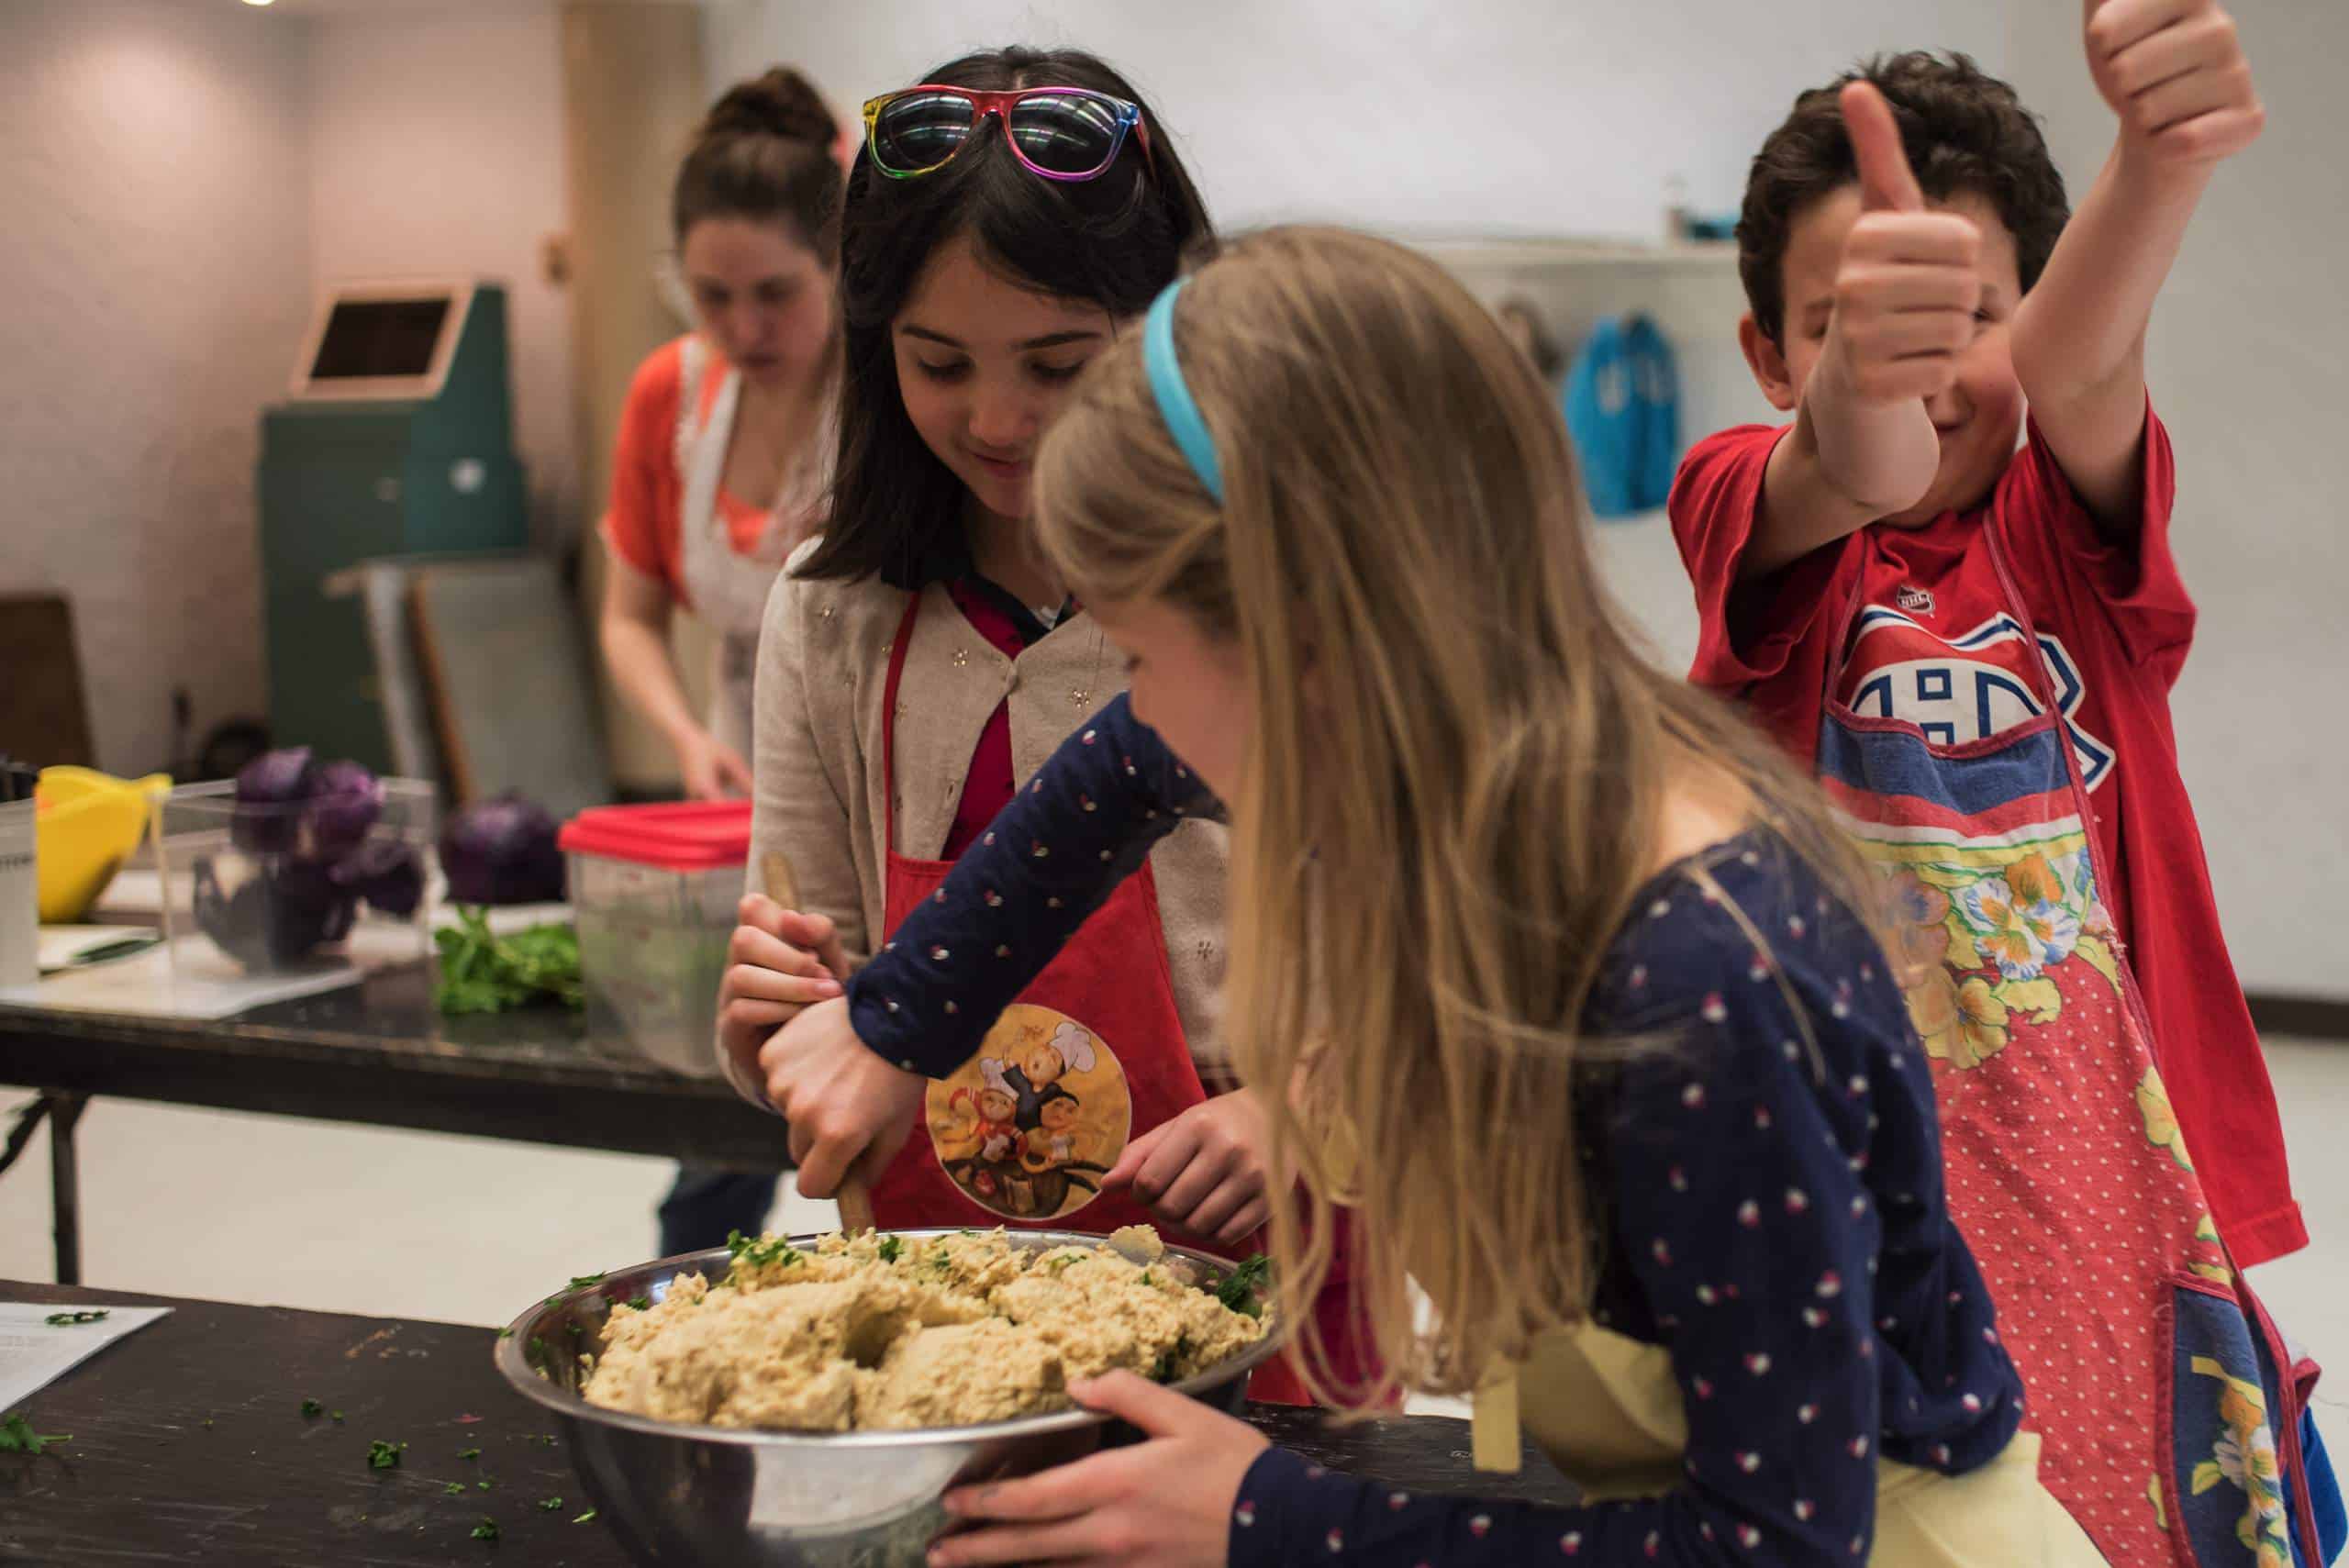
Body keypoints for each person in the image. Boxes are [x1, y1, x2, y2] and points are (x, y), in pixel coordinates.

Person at [905, 224, 2112, 1567]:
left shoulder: (1700, 983)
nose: (1138, 715)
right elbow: (1120, 775)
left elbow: (1769, 1543)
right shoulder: (1496, 757)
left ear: (1311, 644)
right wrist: (891, 1020)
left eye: (1138, 654)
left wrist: (1268, 1516)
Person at [1669, 27, 2333, 1566]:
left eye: (1971, 316)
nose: (1923, 363)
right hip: (1845, 1196)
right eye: (1844, 323)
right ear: (1773, 355)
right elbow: (1849, 454)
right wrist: (1868, 384)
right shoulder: (1737, 498)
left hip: (2126, 1193)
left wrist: (2158, 165)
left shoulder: (2069, 540)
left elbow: (2085, 363)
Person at [711, 48, 1371, 1402]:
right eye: (939, 363)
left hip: (1268, 1251)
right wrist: (778, 1027)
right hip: (950, 1296)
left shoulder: (1275, 586)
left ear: (1173, 338)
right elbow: (821, 998)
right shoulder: (832, 611)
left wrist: (1306, 1104)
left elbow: (1424, 953)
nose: (1001, 421)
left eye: (1061, 365)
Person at [596, 66, 842, 1256]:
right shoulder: (668, 398)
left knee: (871, 1123)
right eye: (712, 296)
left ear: (838, 263)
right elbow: (630, 616)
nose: (746, 328)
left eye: (777, 293)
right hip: (733, 809)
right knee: (722, 1124)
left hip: (866, 802)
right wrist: (685, 738)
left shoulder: (897, 394)